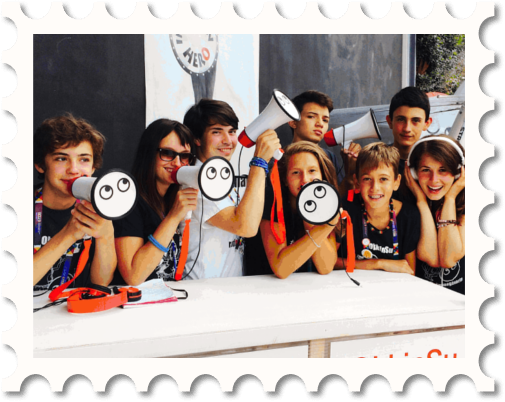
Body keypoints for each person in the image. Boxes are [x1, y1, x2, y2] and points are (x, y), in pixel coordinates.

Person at [181, 98, 281, 279]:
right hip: (202, 289)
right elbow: (246, 227)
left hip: (227, 288)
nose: (228, 140)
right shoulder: (197, 181)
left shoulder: (220, 176)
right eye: (217, 132)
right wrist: (260, 161)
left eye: (232, 131)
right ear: (196, 138)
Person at [33, 114, 116, 291]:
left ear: (93, 167)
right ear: (40, 165)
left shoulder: (95, 206)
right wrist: (69, 234)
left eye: (84, 159)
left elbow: (101, 282)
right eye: (61, 158)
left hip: (71, 306)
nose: (74, 169)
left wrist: (106, 235)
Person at [113, 119, 198, 286]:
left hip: (166, 296)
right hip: (134, 299)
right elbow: (133, 276)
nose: (177, 163)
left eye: (184, 156)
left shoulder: (170, 199)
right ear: (148, 153)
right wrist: (173, 218)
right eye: (167, 153)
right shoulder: (128, 201)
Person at [249, 141, 342, 278]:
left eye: (312, 171)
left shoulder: (326, 202)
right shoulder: (272, 201)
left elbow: (326, 267)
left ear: (321, 175)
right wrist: (326, 227)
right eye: (296, 172)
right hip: (263, 286)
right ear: (285, 179)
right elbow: (281, 269)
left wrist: (310, 215)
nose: (305, 179)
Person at [336, 142, 420, 274]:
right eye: (367, 179)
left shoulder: (409, 215)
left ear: (396, 182)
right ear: (357, 182)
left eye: (383, 179)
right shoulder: (346, 210)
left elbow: (409, 270)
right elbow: (329, 262)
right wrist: (379, 263)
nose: (375, 188)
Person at [404, 135, 465, 294]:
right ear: (413, 173)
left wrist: (450, 198)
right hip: (424, 299)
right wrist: (422, 202)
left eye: (443, 170)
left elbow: (448, 259)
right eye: (425, 170)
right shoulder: (408, 207)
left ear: (458, 173)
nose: (434, 180)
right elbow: (430, 257)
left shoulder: (468, 205)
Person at [288, 90, 361, 194]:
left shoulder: (329, 157)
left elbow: (338, 197)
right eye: (311, 116)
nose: (320, 124)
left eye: (325, 120)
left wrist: (350, 174)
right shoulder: (280, 157)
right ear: (293, 122)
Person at [386, 86, 433, 204]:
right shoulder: (376, 160)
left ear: (427, 123)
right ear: (390, 121)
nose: (407, 128)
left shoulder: (436, 165)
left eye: (415, 120)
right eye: (401, 119)